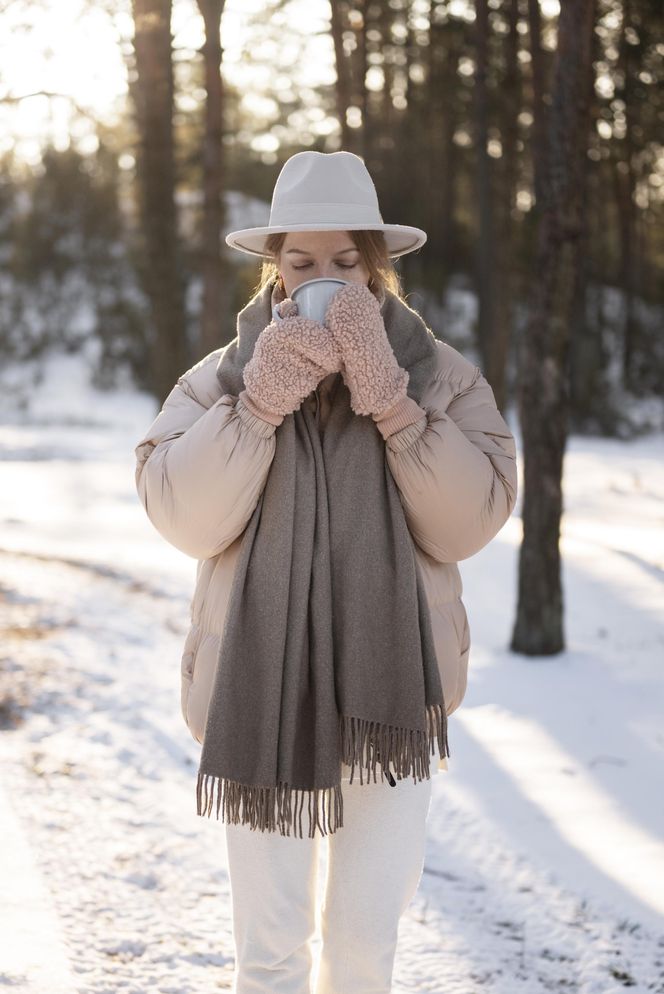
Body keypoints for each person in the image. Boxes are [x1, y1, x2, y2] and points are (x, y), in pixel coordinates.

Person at [133, 150, 518, 994]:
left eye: (346, 263)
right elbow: (181, 513)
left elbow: (470, 519)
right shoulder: (221, 379)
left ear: (376, 266)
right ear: (275, 269)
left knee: (361, 949)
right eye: (302, 263)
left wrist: (392, 400)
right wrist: (258, 405)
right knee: (269, 956)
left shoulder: (441, 377)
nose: (326, 281)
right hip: (261, 689)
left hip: (391, 699)